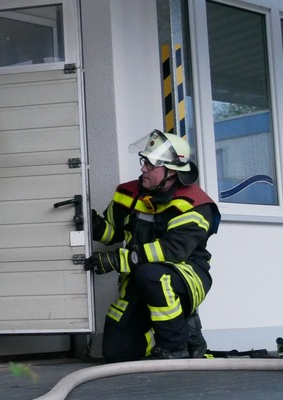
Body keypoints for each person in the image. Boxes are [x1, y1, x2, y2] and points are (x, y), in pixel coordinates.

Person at [84, 130, 220, 362]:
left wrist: (118, 260)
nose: (143, 168)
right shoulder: (129, 193)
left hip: (187, 277)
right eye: (144, 161)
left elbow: (171, 251)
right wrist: (91, 221)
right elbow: (112, 232)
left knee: (152, 274)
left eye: (151, 164)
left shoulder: (195, 204)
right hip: (140, 278)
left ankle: (176, 345)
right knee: (116, 352)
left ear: (172, 171)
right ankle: (170, 337)